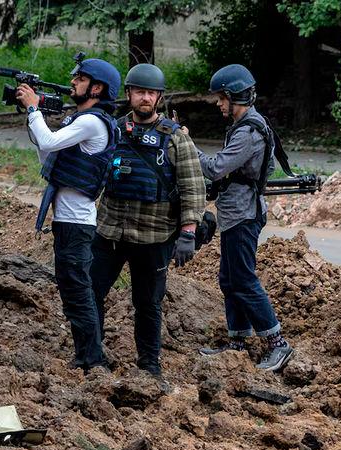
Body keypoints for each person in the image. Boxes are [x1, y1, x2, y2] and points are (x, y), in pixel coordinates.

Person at [90, 63, 206, 378]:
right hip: (111, 230)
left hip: (154, 236)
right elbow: (93, 172)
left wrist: (188, 232)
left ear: (158, 98)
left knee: (148, 303)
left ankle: (149, 365)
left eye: (151, 93)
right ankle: (91, 354)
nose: (145, 98)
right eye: (140, 92)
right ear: (129, 94)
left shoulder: (175, 138)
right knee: (91, 290)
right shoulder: (112, 130)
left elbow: (194, 186)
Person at [16, 57, 121, 372]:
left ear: (97, 88)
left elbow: (48, 139)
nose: (73, 82)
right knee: (72, 289)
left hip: (77, 225)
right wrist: (33, 117)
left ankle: (93, 358)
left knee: (78, 290)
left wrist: (35, 109)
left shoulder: (92, 122)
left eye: (80, 78)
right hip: (67, 222)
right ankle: (85, 355)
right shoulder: (83, 120)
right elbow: (48, 152)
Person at [195, 64, 294, 372]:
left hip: (243, 214)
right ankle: (238, 342)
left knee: (243, 279)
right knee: (229, 279)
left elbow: (215, 167)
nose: (218, 103)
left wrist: (185, 145)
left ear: (236, 96)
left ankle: (278, 343)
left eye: (222, 98)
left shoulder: (249, 132)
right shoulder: (243, 125)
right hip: (235, 211)